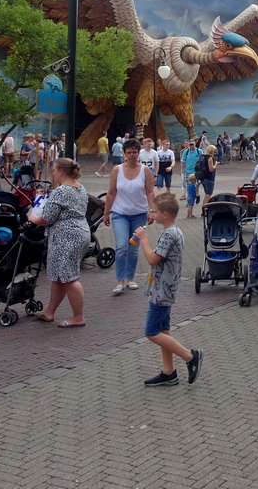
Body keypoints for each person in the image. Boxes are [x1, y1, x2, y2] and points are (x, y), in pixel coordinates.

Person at [134, 194, 203, 387]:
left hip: (162, 289)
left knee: (151, 331)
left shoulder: (169, 234)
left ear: (165, 214)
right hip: (165, 287)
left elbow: (152, 259)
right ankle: (169, 371)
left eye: (154, 212)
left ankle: (190, 357)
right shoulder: (175, 231)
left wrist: (143, 240)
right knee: (164, 329)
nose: (152, 214)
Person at [28, 157, 90, 327]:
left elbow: (46, 218)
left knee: (69, 277)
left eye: (54, 170)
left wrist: (32, 217)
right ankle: (50, 311)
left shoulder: (61, 191)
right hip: (80, 233)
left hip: (66, 238)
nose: (53, 173)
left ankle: (78, 317)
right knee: (59, 275)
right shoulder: (80, 188)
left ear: (61, 171)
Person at [103, 139, 156, 294]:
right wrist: (106, 212)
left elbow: (150, 191)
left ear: (138, 153)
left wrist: (151, 210)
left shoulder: (145, 170)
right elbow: (111, 192)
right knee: (121, 247)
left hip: (139, 214)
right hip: (120, 214)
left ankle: (130, 278)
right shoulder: (117, 170)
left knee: (133, 248)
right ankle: (120, 280)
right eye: (129, 152)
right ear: (124, 154)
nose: (132, 155)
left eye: (134, 152)